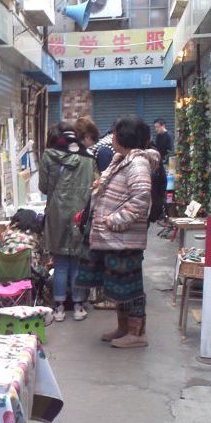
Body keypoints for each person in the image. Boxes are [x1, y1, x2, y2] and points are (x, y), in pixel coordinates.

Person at [76, 116, 160, 348]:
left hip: (124, 237)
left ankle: (137, 334)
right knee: (119, 285)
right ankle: (124, 328)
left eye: (114, 134)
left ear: (125, 137)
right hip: (115, 237)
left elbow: (141, 198)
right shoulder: (122, 159)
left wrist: (115, 221)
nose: (112, 138)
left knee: (131, 286)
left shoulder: (137, 163)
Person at [40, 121, 95, 322]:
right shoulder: (88, 158)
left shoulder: (48, 156)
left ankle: (59, 308)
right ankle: (79, 306)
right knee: (78, 262)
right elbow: (93, 187)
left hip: (57, 214)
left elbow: (44, 187)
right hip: (81, 214)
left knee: (60, 263)